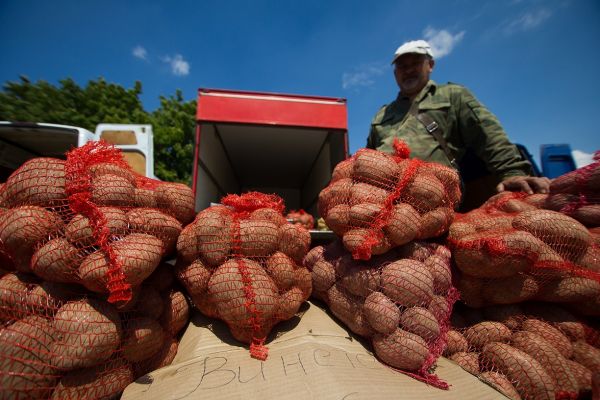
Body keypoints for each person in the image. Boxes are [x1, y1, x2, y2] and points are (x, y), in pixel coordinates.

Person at [367, 39, 550, 210]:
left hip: (435, 201)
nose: (408, 70)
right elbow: (369, 157)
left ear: (430, 65)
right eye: (402, 66)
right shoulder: (382, 114)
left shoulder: (453, 95)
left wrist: (512, 173)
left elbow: (487, 135)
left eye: (415, 63)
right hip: (384, 202)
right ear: (395, 73)